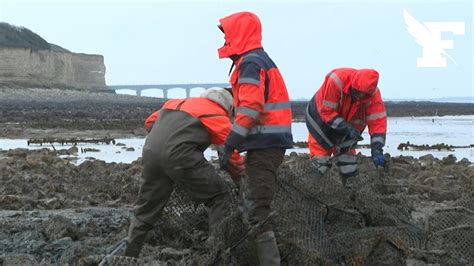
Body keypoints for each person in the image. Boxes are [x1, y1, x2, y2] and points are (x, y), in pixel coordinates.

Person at [124, 88, 244, 257]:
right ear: (229, 107)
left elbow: (149, 123)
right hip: (180, 157)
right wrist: (241, 181)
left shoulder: (175, 103)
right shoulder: (217, 114)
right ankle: (217, 251)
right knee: (219, 195)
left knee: (145, 211)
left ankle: (128, 256)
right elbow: (231, 156)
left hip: (151, 153)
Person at [217, 11, 293, 266]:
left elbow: (250, 108)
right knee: (250, 202)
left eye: (227, 33)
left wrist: (230, 144)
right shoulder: (258, 60)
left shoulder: (250, 63)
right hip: (267, 144)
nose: (225, 38)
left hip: (265, 146)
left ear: (237, 34)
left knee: (258, 208)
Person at [305, 68, 387, 186]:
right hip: (320, 122)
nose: (359, 95)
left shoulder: (374, 97)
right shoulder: (336, 80)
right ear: (354, 84)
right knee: (321, 164)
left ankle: (350, 197)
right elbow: (326, 112)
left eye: (362, 94)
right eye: (357, 91)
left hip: (348, 130)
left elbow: (378, 124)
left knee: (348, 166)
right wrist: (347, 128)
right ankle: (306, 190)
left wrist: (377, 150)